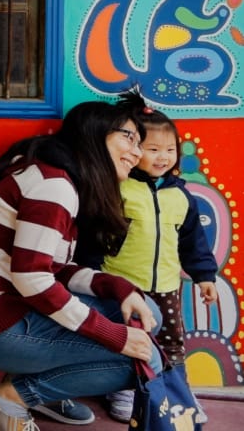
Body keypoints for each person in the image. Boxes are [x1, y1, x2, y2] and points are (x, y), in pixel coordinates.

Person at [0, 99, 163, 431]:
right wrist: (113, 335)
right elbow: (33, 279)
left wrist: (119, 288)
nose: (137, 152)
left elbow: (53, 269)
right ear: (94, 135)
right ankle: (12, 397)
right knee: (140, 358)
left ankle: (37, 390)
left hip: (6, 310)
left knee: (145, 314)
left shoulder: (62, 179)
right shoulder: (54, 186)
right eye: (129, 137)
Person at [80, 94, 218, 423]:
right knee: (126, 339)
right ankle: (124, 389)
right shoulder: (119, 188)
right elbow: (96, 235)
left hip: (167, 286)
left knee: (170, 342)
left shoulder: (181, 195)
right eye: (153, 149)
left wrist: (205, 277)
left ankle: (177, 393)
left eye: (170, 150)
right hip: (125, 285)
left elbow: (193, 243)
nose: (162, 157)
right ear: (134, 149)